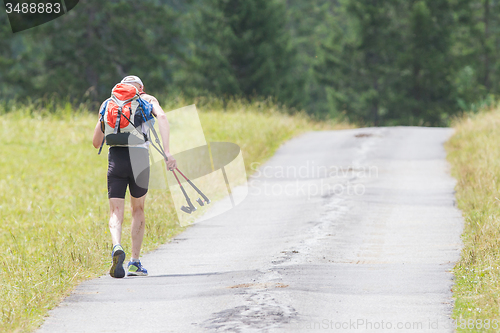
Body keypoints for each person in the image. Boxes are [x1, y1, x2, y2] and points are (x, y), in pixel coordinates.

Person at [92, 75, 177, 278]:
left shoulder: (108, 103)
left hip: (116, 157)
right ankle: (135, 263)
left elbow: (96, 142)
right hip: (139, 157)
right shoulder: (147, 99)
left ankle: (116, 246)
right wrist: (167, 151)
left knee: (115, 211)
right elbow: (163, 118)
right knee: (137, 208)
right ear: (141, 88)